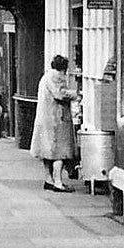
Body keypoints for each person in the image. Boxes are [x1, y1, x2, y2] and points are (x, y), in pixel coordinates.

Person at [29, 54, 81, 192]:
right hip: (56, 120)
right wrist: (76, 94)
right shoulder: (56, 77)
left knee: (47, 152)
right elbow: (60, 94)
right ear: (63, 67)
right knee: (60, 152)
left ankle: (48, 180)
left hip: (45, 119)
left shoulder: (46, 76)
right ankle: (58, 182)